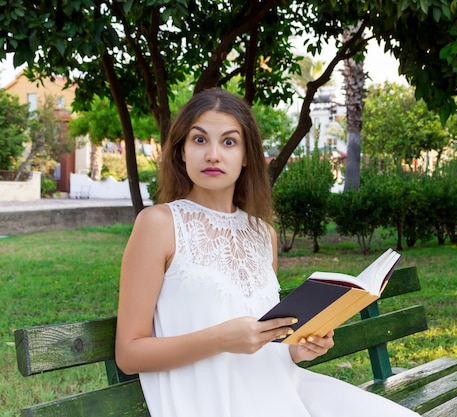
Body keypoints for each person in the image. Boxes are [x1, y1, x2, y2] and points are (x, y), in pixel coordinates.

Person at [115, 88, 419, 417]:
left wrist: (300, 350)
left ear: (246, 155)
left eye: (229, 142)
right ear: (181, 151)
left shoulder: (263, 233)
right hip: (214, 404)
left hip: (285, 389)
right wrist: (220, 339)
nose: (213, 154)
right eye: (200, 140)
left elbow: (267, 343)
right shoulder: (158, 224)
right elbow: (129, 354)